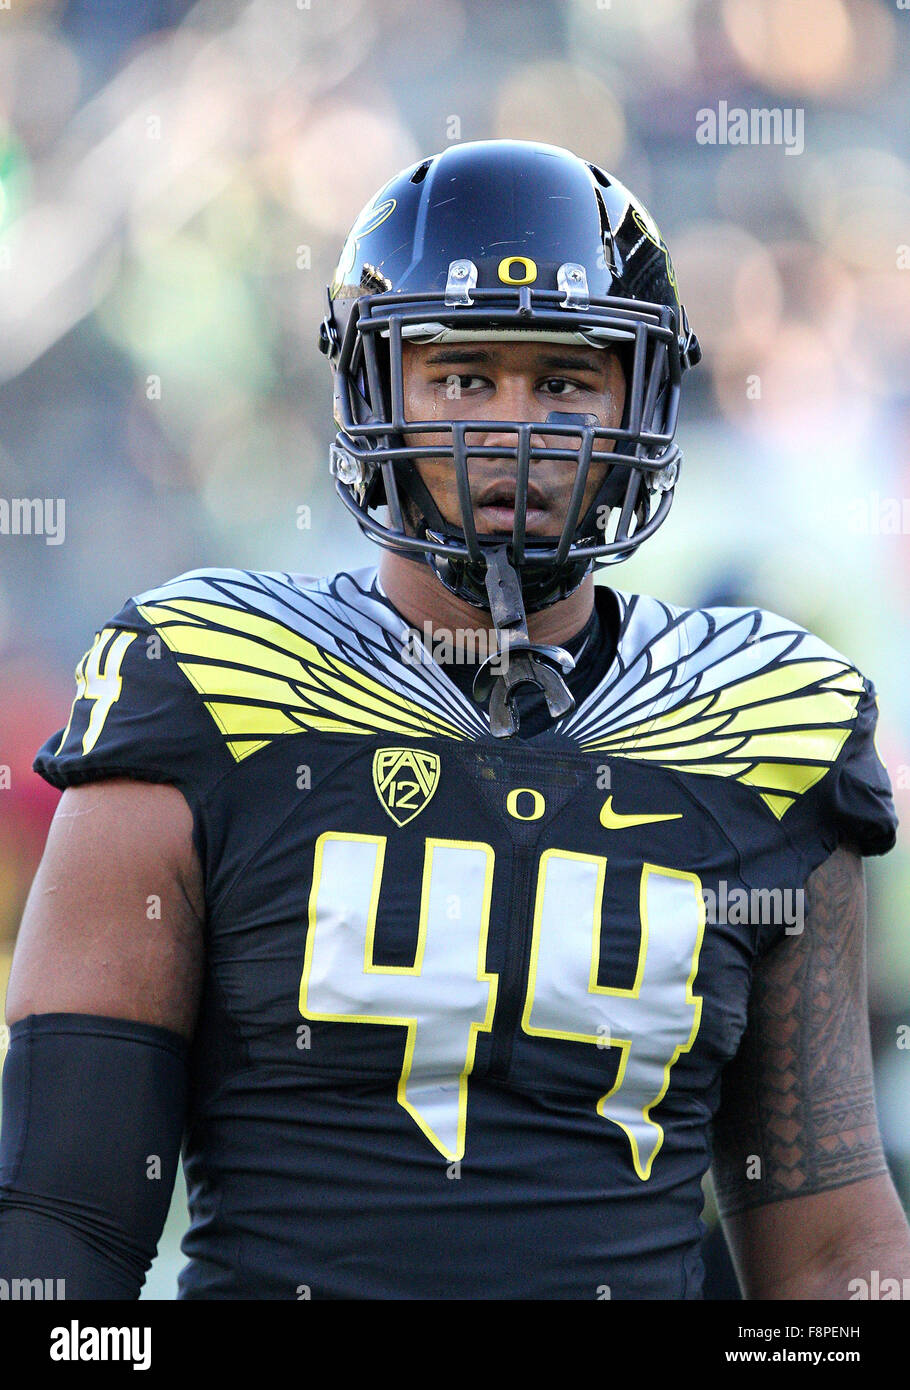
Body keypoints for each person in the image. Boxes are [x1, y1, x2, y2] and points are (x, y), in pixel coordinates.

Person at [1, 139, 908, 1300]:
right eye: (464, 376)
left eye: (566, 381)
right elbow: (61, 1221)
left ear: (643, 396)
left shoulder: (762, 727)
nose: (515, 429)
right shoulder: (213, 687)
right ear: (375, 387)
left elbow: (828, 1248)